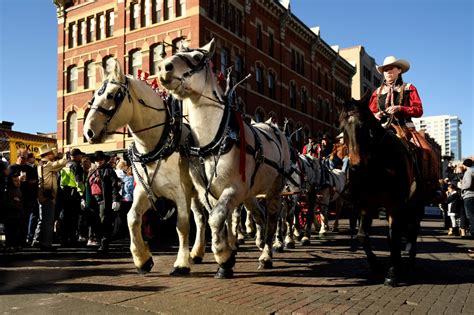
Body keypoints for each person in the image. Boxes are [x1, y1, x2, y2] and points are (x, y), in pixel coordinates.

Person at [369, 56, 440, 185]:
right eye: (385, 70)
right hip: (382, 128)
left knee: (428, 151)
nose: (388, 72)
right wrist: (376, 115)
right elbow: (370, 112)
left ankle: (432, 186)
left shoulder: (409, 88)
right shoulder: (377, 92)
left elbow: (419, 110)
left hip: (405, 127)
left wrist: (400, 108)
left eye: (391, 68)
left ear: (399, 70)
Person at [32, 145, 69, 250]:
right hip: (48, 196)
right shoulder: (47, 164)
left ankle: (37, 241)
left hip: (43, 195)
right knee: (48, 221)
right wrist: (66, 156)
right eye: (51, 153)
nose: (53, 154)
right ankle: (46, 244)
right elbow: (60, 164)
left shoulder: (41, 164)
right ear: (47, 154)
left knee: (43, 220)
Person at [85, 151, 121, 252]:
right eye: (97, 160)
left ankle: (104, 244)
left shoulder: (109, 171)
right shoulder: (92, 171)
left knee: (104, 221)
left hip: (104, 200)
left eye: (101, 159)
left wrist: (115, 200)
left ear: (104, 160)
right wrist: (84, 199)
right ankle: (100, 241)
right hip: (92, 200)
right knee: (95, 222)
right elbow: (87, 186)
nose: (98, 162)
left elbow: (114, 186)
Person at [59, 148, 86, 246]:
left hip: (64, 193)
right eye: (80, 155)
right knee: (73, 218)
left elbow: (61, 181)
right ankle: (72, 239)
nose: (81, 157)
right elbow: (79, 182)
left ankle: (63, 239)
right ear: (77, 156)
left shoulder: (65, 165)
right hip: (74, 195)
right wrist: (82, 195)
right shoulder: (76, 166)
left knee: (65, 218)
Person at [4, 172, 23, 250]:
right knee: (10, 231)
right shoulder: (8, 191)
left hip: (17, 214)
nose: (18, 182)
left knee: (17, 230)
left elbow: (21, 202)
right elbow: (7, 203)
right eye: (15, 181)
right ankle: (9, 245)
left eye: (18, 180)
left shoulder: (18, 190)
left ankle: (16, 244)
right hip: (10, 215)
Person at [460, 158, 474, 238]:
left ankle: (473, 233)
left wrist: (461, 186)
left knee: (470, 215)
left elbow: (468, 184)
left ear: (465, 165)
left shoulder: (468, 172)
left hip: (469, 196)